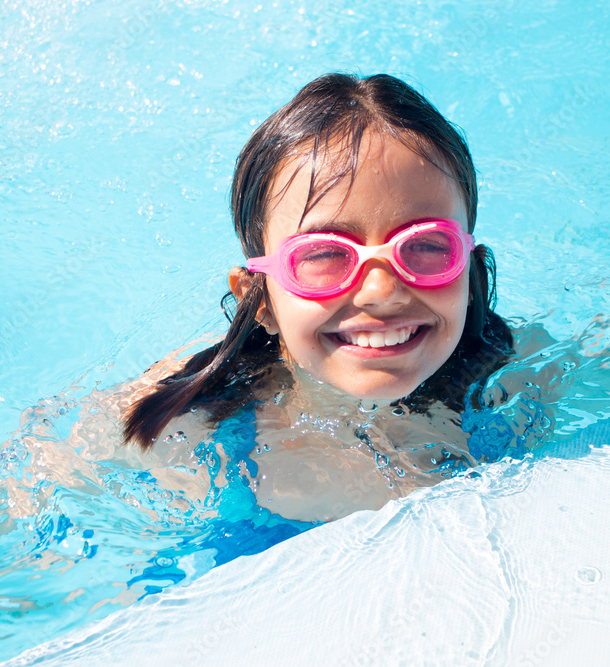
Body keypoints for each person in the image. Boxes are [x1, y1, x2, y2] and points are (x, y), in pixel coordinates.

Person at [118, 73, 515, 520]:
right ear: (260, 298)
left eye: (425, 246)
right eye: (325, 254)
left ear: (468, 271)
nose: (382, 292)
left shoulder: (516, 373)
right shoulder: (183, 422)